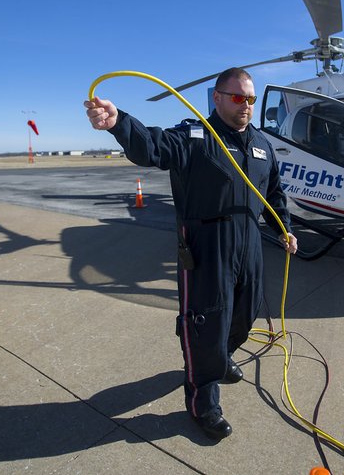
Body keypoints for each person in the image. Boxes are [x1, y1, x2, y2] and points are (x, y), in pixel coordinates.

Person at [84, 67, 298, 441]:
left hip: (249, 244)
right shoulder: (196, 136)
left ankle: (224, 354)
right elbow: (153, 146)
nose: (245, 106)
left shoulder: (262, 145)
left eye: (250, 99)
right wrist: (118, 123)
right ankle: (203, 402)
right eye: (237, 98)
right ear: (216, 98)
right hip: (206, 246)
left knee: (245, 314)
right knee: (207, 324)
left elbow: (274, 192)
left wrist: (284, 227)